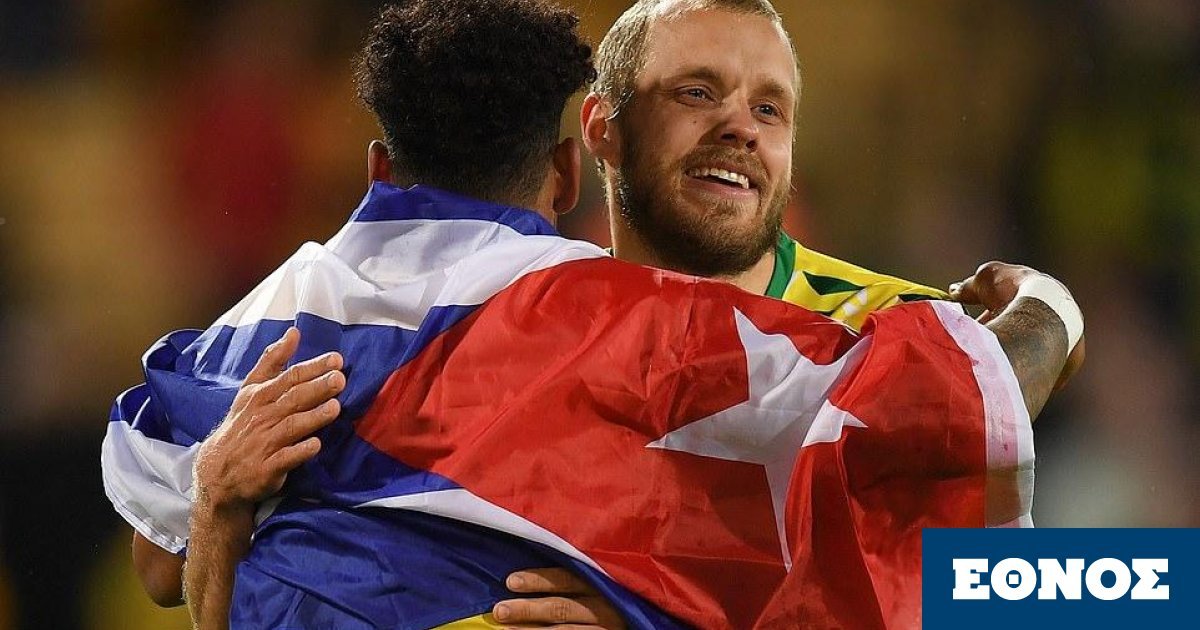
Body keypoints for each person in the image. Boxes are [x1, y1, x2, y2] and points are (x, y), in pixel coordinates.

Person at [105, 0, 1082, 628]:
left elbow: (1050, 593)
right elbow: (176, 569)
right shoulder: (584, 329)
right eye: (696, 93)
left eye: (770, 108)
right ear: (595, 141)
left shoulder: (889, 329)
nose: (738, 126)